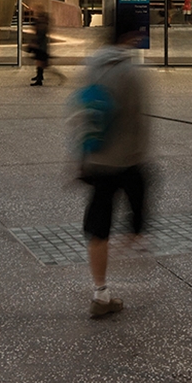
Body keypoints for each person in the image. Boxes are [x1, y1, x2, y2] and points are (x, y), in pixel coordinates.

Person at [74, 17, 151, 318]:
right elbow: (137, 121)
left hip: (95, 159)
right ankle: (133, 238)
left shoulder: (91, 65)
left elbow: (83, 112)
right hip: (126, 160)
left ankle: (100, 293)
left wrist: (81, 157)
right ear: (129, 35)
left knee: (98, 228)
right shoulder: (131, 71)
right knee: (139, 210)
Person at [27, 7, 54, 87]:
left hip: (40, 45)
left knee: (40, 61)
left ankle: (39, 79)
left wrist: (35, 43)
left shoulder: (42, 24)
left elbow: (40, 34)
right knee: (39, 61)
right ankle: (39, 76)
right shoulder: (42, 22)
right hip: (41, 45)